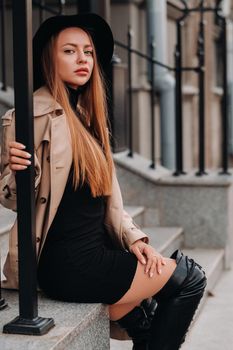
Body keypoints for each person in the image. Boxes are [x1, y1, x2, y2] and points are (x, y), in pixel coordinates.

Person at [0, 13, 206, 350]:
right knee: (190, 280)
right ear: (49, 58)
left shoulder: (87, 117)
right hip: (69, 262)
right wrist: (24, 172)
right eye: (69, 51)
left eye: (89, 52)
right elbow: (9, 196)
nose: (82, 59)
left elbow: (107, 200)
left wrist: (134, 238)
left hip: (94, 251)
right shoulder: (30, 115)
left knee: (146, 314)